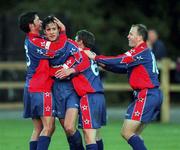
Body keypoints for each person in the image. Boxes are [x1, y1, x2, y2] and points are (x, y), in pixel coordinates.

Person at [85, 24, 163, 150]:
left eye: (131, 34)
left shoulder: (140, 51)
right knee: (135, 134)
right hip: (151, 95)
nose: (128, 36)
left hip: (147, 95)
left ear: (139, 37)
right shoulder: (142, 51)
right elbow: (123, 67)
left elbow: (121, 60)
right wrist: (104, 65)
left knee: (126, 132)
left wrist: (96, 57)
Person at [18, 12, 68, 150]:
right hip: (40, 87)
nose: (40, 21)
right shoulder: (37, 42)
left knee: (38, 128)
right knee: (49, 127)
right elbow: (58, 49)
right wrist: (62, 31)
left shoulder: (32, 38)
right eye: (37, 20)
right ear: (31, 25)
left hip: (31, 86)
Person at [55, 29, 107, 150]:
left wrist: (70, 70)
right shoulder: (92, 54)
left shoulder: (80, 54)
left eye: (75, 38)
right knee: (96, 134)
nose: (73, 41)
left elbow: (77, 66)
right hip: (99, 97)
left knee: (88, 136)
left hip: (89, 97)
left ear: (80, 42)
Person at [42, 16, 85, 150]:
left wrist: (69, 69)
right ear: (44, 32)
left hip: (71, 88)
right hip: (55, 89)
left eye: (54, 29)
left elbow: (81, 59)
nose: (52, 32)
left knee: (70, 127)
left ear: (58, 29)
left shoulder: (69, 43)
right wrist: (55, 70)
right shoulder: (42, 47)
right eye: (48, 29)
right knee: (67, 131)